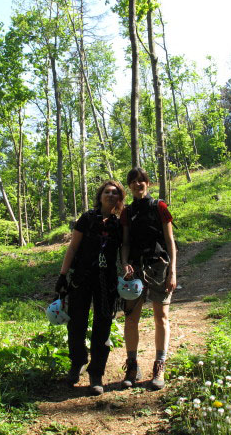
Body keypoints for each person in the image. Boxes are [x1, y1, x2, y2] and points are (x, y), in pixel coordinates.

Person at [55, 180, 126, 396]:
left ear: (119, 198)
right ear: (100, 195)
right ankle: (77, 363)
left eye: (115, 193)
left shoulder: (120, 223)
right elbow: (73, 247)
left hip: (107, 280)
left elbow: (125, 249)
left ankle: (97, 373)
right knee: (76, 323)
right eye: (107, 192)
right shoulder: (86, 218)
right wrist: (62, 275)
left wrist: (127, 270)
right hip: (82, 277)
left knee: (103, 325)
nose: (111, 195)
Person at [120, 167, 177, 390]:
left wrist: (172, 271)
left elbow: (170, 241)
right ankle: (132, 365)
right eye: (133, 182)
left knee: (161, 316)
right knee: (131, 317)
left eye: (141, 180)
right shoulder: (127, 212)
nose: (137, 184)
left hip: (158, 267)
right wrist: (124, 263)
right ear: (129, 186)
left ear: (148, 183)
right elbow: (124, 242)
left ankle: (159, 365)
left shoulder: (159, 207)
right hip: (134, 270)